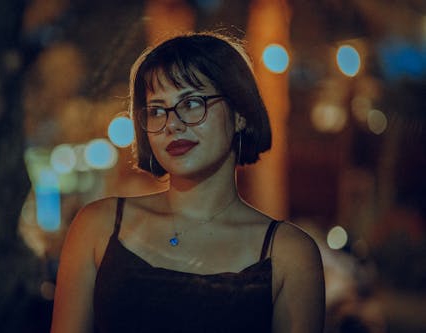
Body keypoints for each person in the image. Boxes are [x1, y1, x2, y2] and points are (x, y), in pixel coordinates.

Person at [50, 32, 325, 333]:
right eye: (156, 110)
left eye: (192, 103)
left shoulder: (289, 254)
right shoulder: (97, 226)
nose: (173, 124)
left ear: (240, 115)